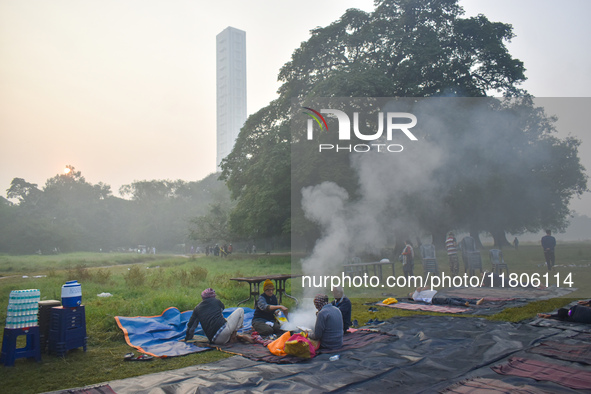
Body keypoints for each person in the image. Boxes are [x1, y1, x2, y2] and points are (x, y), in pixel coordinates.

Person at [409, 287, 484, 307]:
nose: (412, 292)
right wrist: (417, 290)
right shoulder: (415, 296)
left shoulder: (420, 292)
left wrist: (422, 289)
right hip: (434, 298)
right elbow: (418, 289)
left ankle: (475, 302)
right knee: (449, 300)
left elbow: (427, 286)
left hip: (437, 294)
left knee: (455, 297)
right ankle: (464, 304)